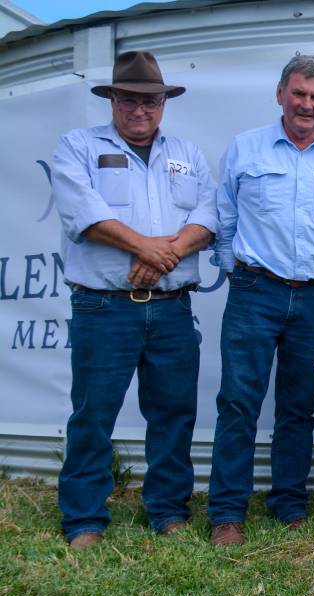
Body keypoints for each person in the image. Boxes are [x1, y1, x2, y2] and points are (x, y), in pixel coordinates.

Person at [51, 51, 217, 548]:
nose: (140, 109)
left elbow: (210, 215)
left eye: (150, 100)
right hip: (104, 308)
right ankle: (83, 518)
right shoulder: (77, 147)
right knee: (93, 414)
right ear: (112, 100)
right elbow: (84, 211)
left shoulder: (187, 153)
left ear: (164, 102)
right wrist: (147, 247)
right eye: (129, 99)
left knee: (173, 413)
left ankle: (167, 509)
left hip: (171, 309)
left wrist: (165, 254)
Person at [208, 54, 314, 547]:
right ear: (280, 94)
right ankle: (227, 513)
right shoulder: (245, 148)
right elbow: (224, 219)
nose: (307, 104)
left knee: (298, 408)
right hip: (255, 292)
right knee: (238, 402)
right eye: (298, 93)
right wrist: (239, 273)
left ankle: (288, 505)